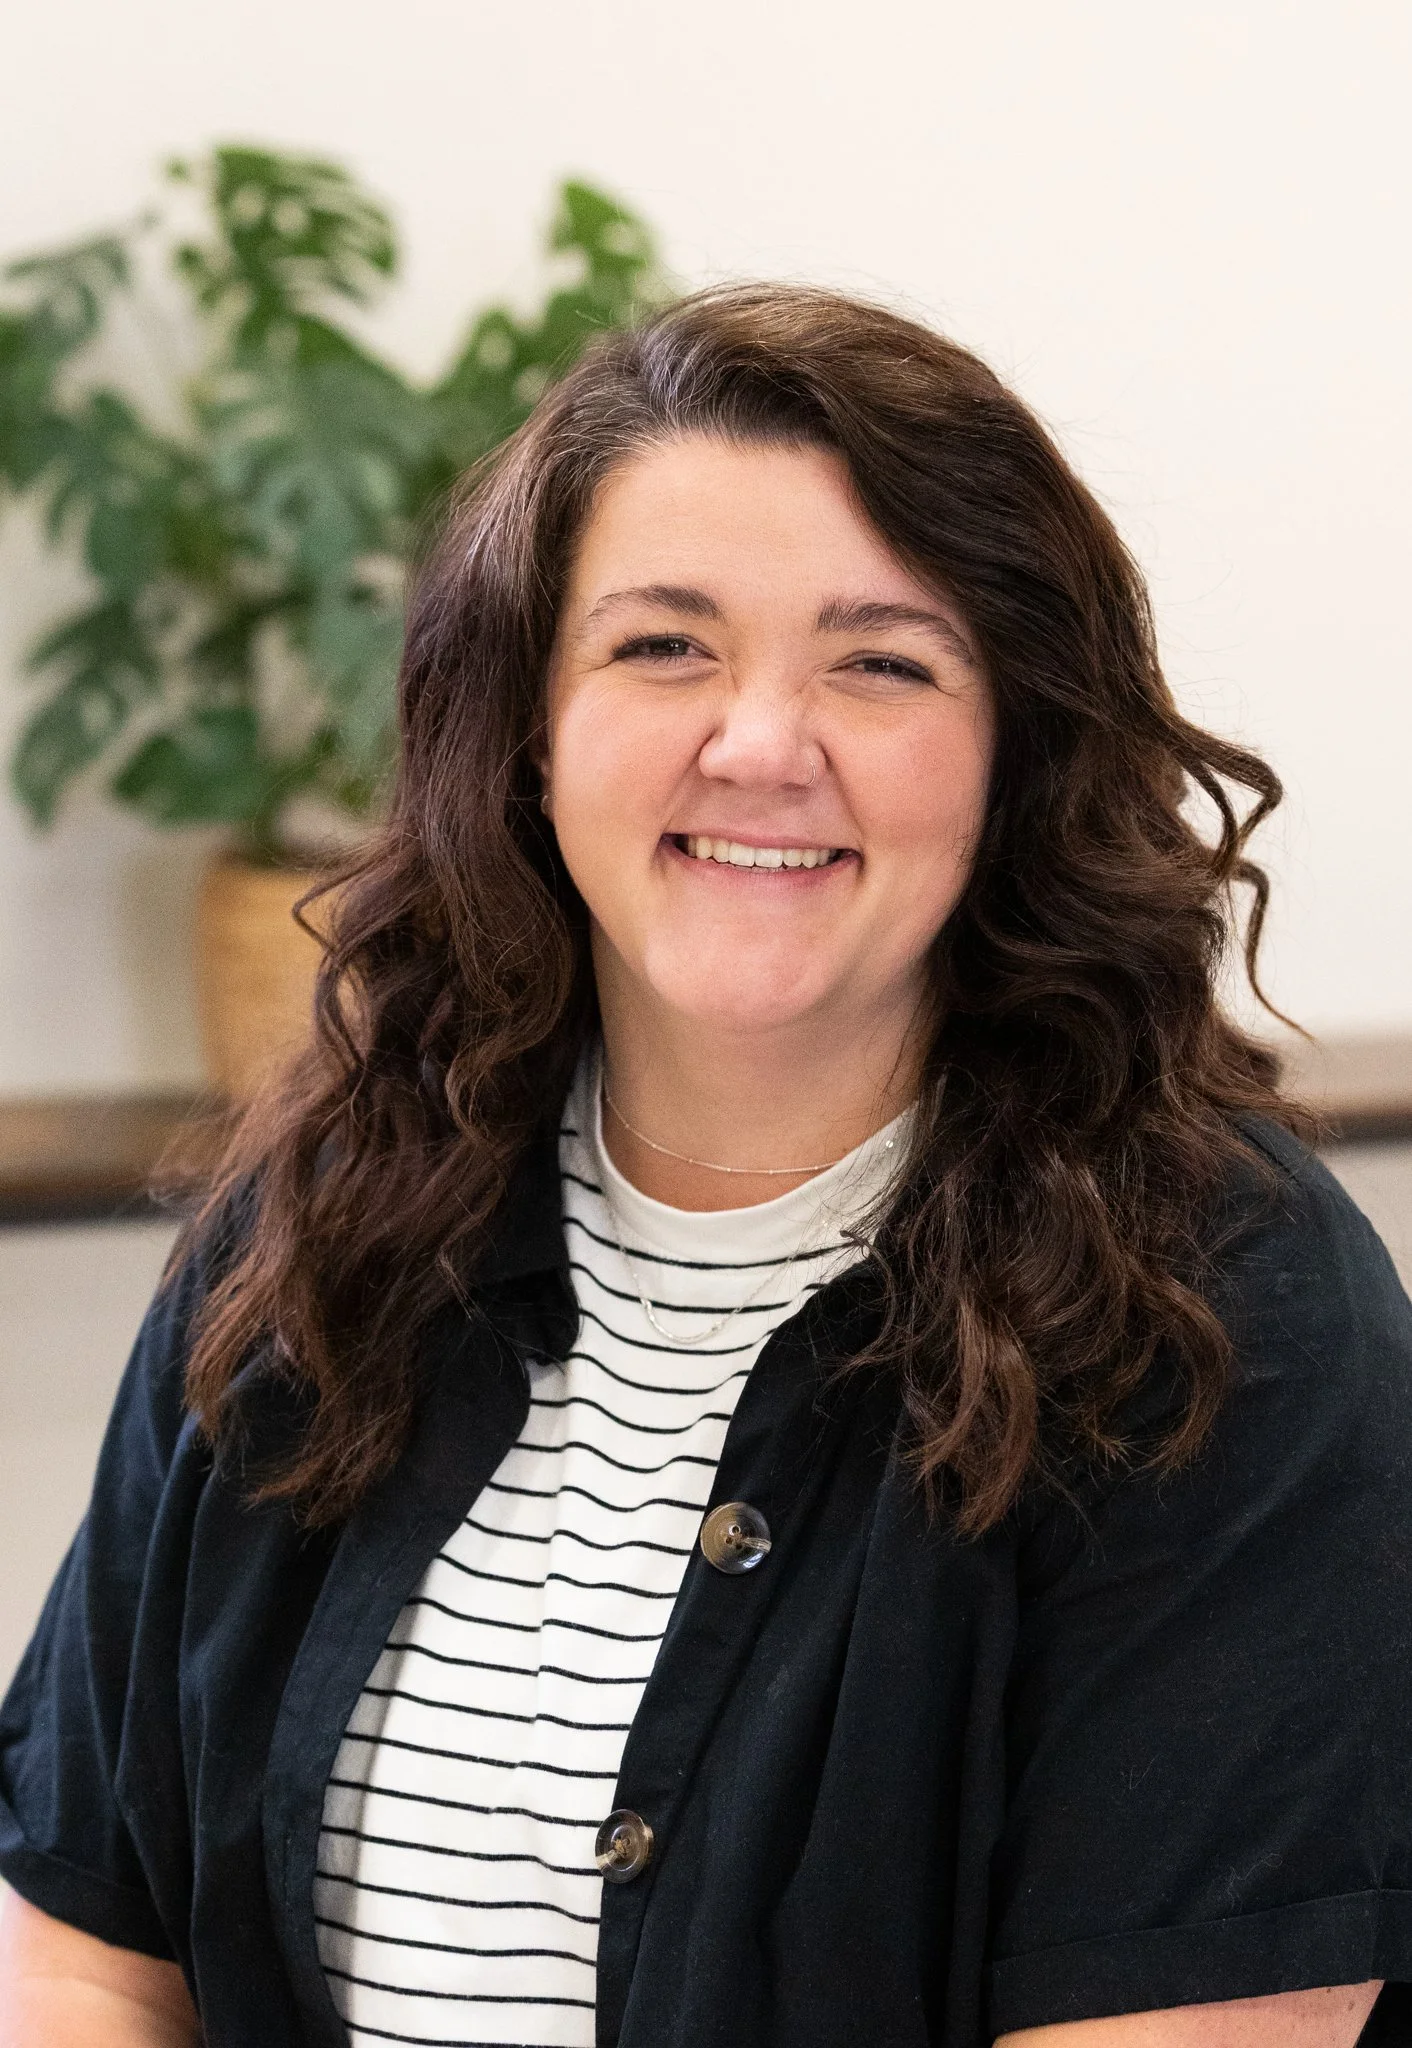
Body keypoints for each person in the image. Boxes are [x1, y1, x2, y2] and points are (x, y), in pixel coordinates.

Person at [1, 284, 1410, 2048]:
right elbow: (79, 1955)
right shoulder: (321, 1227)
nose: (759, 744)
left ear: (1012, 750)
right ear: (528, 725)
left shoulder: (1224, 1310)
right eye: (663, 647)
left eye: (880, 662)